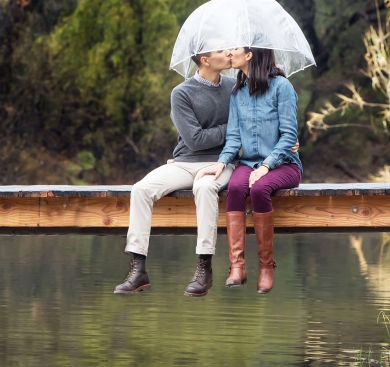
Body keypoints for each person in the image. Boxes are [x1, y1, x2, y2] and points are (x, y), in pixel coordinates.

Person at [114, 48, 236, 297]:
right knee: (140, 189)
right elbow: (195, 140)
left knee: (204, 188)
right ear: (205, 60)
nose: (228, 53)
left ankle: (204, 268)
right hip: (184, 162)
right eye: (221, 51)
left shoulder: (236, 87)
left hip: (222, 163)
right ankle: (138, 270)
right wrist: (234, 128)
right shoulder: (181, 93)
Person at [196, 46, 302, 295]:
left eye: (235, 49)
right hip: (248, 163)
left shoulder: (282, 87)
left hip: (284, 164)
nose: (230, 54)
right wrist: (221, 163)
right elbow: (233, 137)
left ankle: (266, 267)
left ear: (250, 55)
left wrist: (267, 166)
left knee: (259, 188)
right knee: (234, 187)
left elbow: (289, 137)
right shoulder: (238, 93)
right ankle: (237, 267)